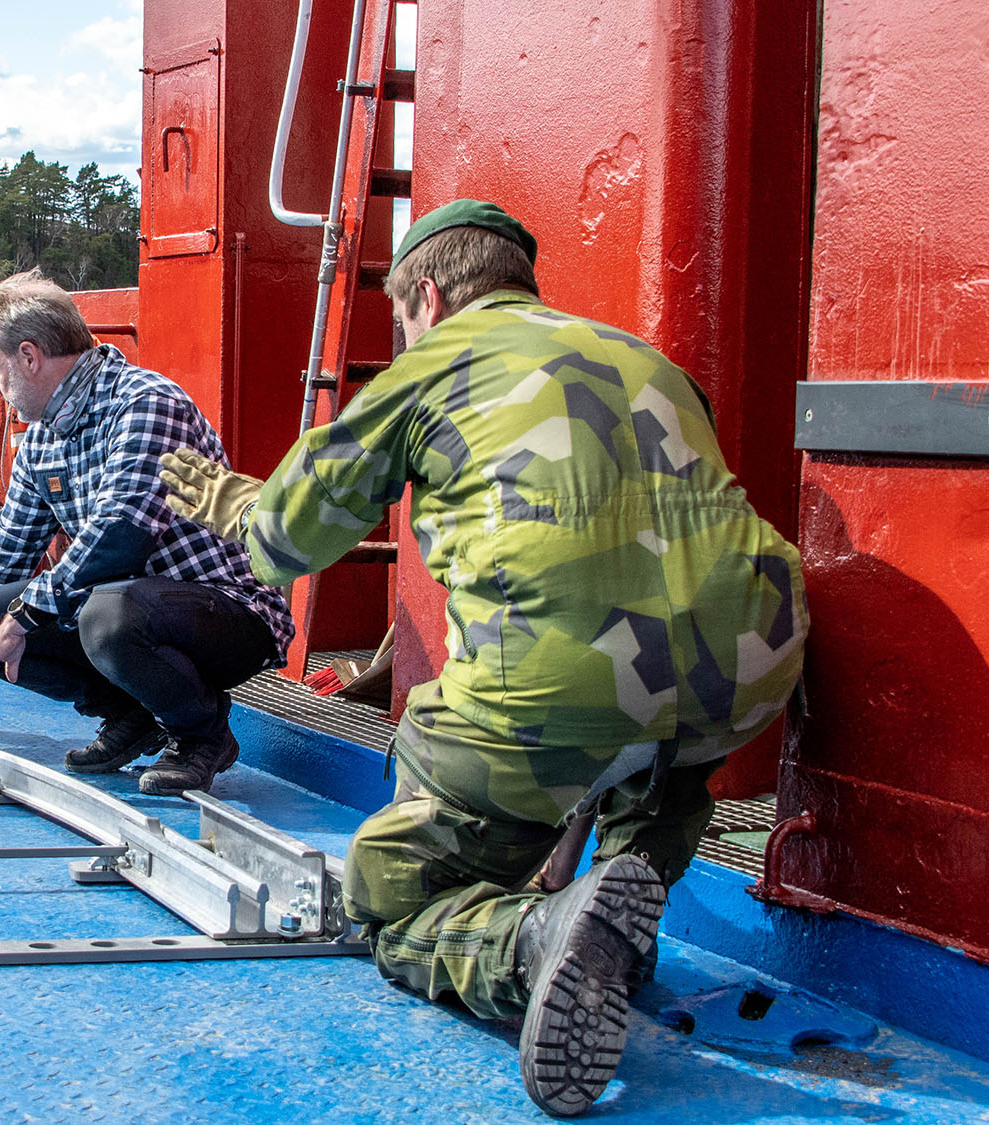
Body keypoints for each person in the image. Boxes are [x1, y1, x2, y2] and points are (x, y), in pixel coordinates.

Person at [161, 200, 808, 1115]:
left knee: (387, 890)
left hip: (559, 690)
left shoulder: (433, 364)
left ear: (427, 296)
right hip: (751, 671)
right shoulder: (650, 361)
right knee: (666, 759)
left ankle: (534, 940)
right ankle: (624, 927)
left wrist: (230, 501)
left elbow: (286, 541)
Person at [0, 270, 294, 796]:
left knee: (106, 615)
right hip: (128, 604)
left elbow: (121, 533)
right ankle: (134, 714)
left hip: (227, 612)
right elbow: (4, 551)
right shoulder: (41, 441)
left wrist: (27, 613)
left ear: (30, 357)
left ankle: (202, 735)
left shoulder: (144, 403)